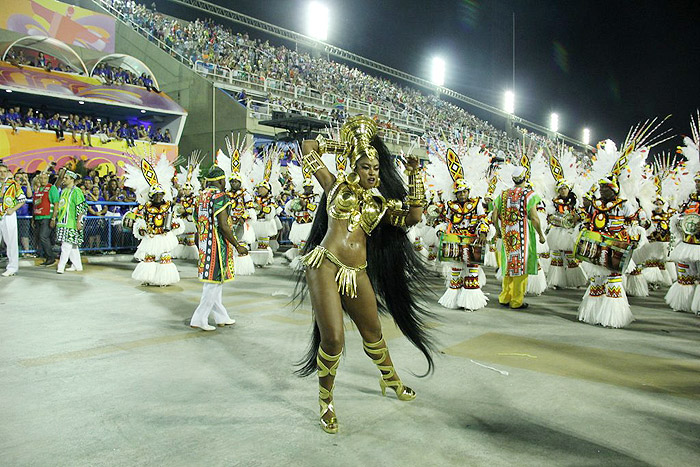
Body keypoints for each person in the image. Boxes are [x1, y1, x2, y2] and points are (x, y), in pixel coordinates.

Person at [298, 115, 434, 434]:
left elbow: (414, 216)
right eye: (365, 166)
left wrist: (415, 176)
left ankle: (391, 379)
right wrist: (349, 145)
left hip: (356, 271)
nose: (372, 173)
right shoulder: (333, 185)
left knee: (373, 332)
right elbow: (308, 148)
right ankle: (326, 401)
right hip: (325, 264)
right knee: (333, 339)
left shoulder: (381, 205)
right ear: (353, 167)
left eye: (375, 168)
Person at [189, 166, 249, 331]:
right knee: (213, 283)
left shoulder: (200, 197)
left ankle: (221, 316)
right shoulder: (220, 197)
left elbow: (197, 222)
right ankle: (199, 319)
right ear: (221, 180)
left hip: (203, 243)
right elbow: (223, 225)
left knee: (214, 282)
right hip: (216, 245)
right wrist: (238, 245)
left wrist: (199, 243)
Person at [492, 166, 546, 309]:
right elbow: (534, 218)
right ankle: (516, 301)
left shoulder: (503, 195)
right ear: (525, 177)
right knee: (521, 267)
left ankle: (504, 297)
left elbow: (494, 216)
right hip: (523, 237)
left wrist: (498, 230)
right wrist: (540, 234)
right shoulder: (529, 195)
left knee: (508, 265)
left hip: (507, 236)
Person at [55, 170, 88, 274]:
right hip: (63, 221)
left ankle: (61, 266)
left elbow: (81, 207)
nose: (64, 180)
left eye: (66, 178)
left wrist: (79, 221)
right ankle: (77, 266)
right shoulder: (64, 191)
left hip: (72, 222)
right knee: (72, 246)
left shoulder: (77, 191)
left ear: (72, 179)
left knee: (66, 245)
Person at [0, 164, 27, 276]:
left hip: (8, 215)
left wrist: (13, 209)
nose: (2, 174)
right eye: (0, 171)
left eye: (4, 171)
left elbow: (22, 199)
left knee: (11, 241)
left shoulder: (13, 184)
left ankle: (12, 267)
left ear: (7, 172)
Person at [32, 168, 60, 265]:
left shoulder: (52, 188)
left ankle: (50, 257)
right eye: (41, 178)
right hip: (38, 217)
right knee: (41, 238)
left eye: (45, 178)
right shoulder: (38, 190)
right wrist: (33, 218)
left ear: (47, 179)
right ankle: (48, 255)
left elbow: (56, 203)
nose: (43, 180)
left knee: (43, 236)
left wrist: (53, 218)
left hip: (47, 217)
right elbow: (35, 204)